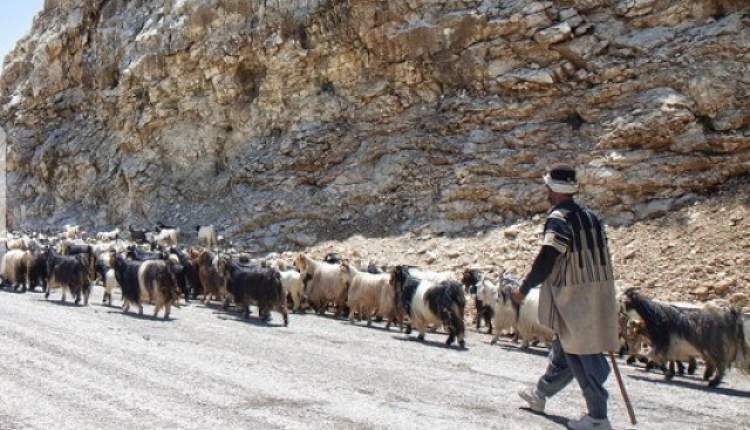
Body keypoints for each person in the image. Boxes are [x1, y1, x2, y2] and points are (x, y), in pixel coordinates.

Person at [513, 164, 619, 430]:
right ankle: (540, 394)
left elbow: (548, 257)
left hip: (575, 298)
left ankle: (597, 417)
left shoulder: (559, 218)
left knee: (584, 355)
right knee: (567, 349)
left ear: (554, 189)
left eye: (547, 186)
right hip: (598, 293)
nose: (545, 190)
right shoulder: (591, 216)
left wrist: (524, 288)